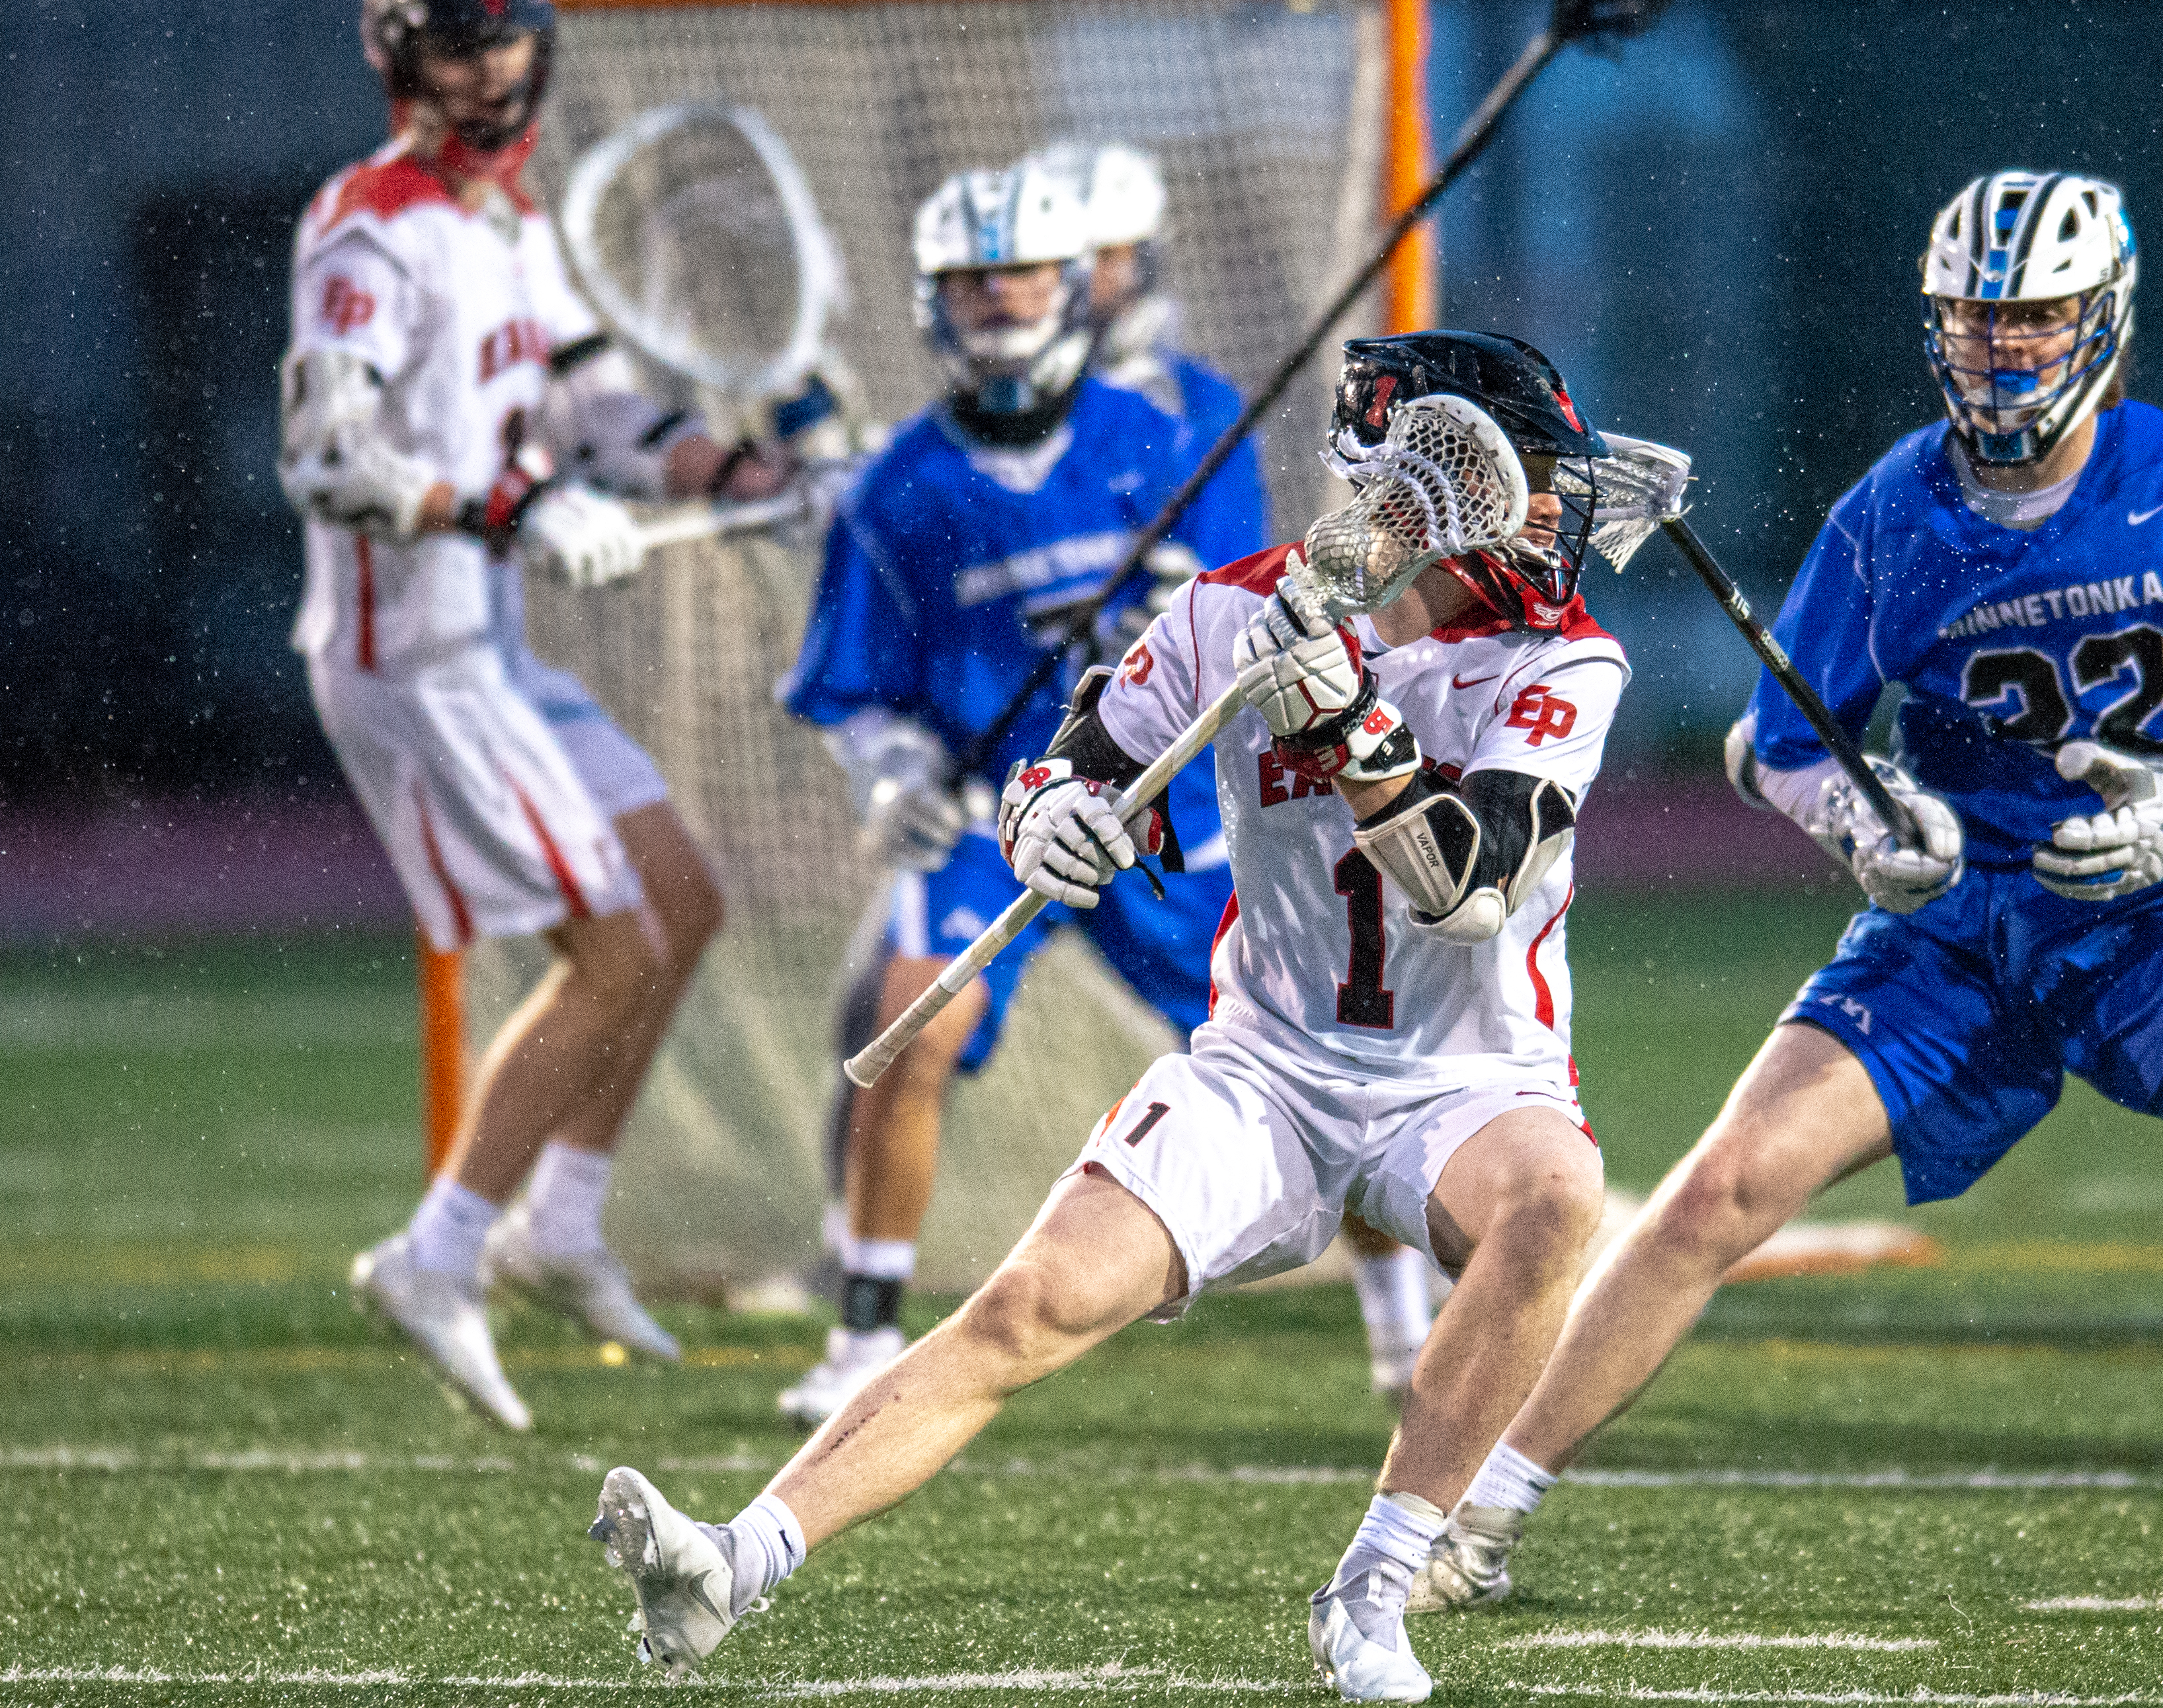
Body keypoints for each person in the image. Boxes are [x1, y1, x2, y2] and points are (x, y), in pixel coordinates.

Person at [1401, 170, 2163, 1616]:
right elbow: (1774, 746)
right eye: (1975, 316)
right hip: (1956, 926)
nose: (2001, 344)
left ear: (2100, 318)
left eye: (2035, 313)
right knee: (1718, 1189)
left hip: (2156, 915)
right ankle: (1477, 1519)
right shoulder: (1891, 512)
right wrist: (1870, 828)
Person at [589, 331, 1635, 1703]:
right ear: (1416, 480)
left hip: (1467, 1077)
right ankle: (735, 1559)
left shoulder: (1565, 661)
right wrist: (1052, 823)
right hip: (1265, 1065)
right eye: (1524, 477)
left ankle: (1374, 1587)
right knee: (1029, 1303)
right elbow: (1070, 761)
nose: (1552, 511)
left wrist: (1354, 736)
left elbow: (1467, 890)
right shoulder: (1224, 614)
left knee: (1557, 1195)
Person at [281, 0, 803, 1432]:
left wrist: (741, 462)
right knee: (614, 952)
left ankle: (559, 1222)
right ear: (402, 63)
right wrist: (503, 507)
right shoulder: (368, 227)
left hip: (489, 642)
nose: (492, 68)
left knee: (682, 900)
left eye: (507, 39)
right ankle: (438, 1254)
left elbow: (598, 407)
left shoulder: (514, 224)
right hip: (411, 657)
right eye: (462, 44)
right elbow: (326, 455)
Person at [772, 150, 1264, 1426]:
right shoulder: (897, 489)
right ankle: (858, 1330)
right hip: (999, 808)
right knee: (903, 1028)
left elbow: (1262, 615)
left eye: (1024, 275)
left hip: (1159, 793)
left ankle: (1396, 1325)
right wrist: (892, 775)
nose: (999, 302)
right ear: (936, 301)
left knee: (1296, 1033)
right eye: (973, 281)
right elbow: (851, 687)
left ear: (1071, 285)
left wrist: (1191, 618)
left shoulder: (1161, 436)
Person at [1042, 135, 1444, 1401]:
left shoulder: (1186, 409)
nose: (1087, 282)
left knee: (1323, 1008)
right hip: (1097, 728)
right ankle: (864, 1311)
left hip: (1219, 730)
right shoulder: (1005, 424)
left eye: (1104, 257)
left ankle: (1396, 1306)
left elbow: (1221, 595)